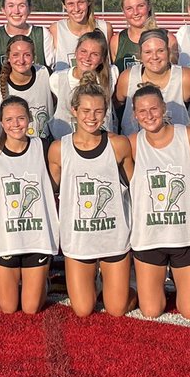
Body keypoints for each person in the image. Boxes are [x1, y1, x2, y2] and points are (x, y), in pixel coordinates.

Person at [47, 83, 134, 317]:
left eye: (98, 111)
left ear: (106, 111)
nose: (92, 117)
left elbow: (135, 186)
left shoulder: (118, 144)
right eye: (86, 111)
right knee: (83, 310)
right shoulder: (58, 149)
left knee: (116, 310)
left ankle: (133, 290)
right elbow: (49, 192)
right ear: (74, 111)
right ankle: (95, 283)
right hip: (79, 238)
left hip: (113, 236)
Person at [128, 85, 190, 319]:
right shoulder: (131, 144)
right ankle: (132, 280)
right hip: (149, 239)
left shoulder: (188, 135)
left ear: (164, 108)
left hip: (186, 236)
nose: (149, 115)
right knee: (151, 311)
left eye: (154, 109)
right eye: (142, 111)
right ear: (134, 114)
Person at [0, 96, 59, 314]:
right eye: (9, 119)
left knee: (31, 308)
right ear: (1, 122)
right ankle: (10, 284)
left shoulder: (43, 147)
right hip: (5, 238)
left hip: (37, 237)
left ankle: (42, 282)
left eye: (21, 118)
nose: (15, 124)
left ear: (30, 119)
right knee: (7, 307)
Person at [116, 28, 190, 135]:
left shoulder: (186, 78)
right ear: (140, 55)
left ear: (168, 51)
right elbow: (117, 106)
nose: (155, 57)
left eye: (160, 51)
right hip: (136, 148)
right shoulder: (127, 78)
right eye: (148, 52)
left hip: (176, 148)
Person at [48, 30, 117, 138]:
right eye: (83, 51)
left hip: (102, 146)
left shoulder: (112, 75)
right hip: (65, 145)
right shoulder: (57, 79)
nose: (87, 58)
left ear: (102, 59)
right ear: (75, 52)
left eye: (95, 54)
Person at [0, 34, 53, 139]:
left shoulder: (46, 74)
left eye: (27, 55)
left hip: (44, 144)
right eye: (15, 55)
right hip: (15, 146)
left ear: (34, 57)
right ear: (8, 57)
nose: (21, 60)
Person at [50, 0, 111, 71]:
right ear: (64, 5)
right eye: (70, 4)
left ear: (89, 1)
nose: (76, 8)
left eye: (81, 2)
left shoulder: (105, 28)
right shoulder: (56, 29)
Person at [0, 0, 54, 68]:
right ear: (3, 9)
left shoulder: (42, 34)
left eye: (22, 5)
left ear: (30, 9)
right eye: (11, 6)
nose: (16, 11)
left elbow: (51, 68)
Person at [110, 0, 163, 71]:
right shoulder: (117, 41)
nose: (135, 12)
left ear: (149, 6)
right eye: (129, 8)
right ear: (123, 10)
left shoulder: (166, 39)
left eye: (140, 6)